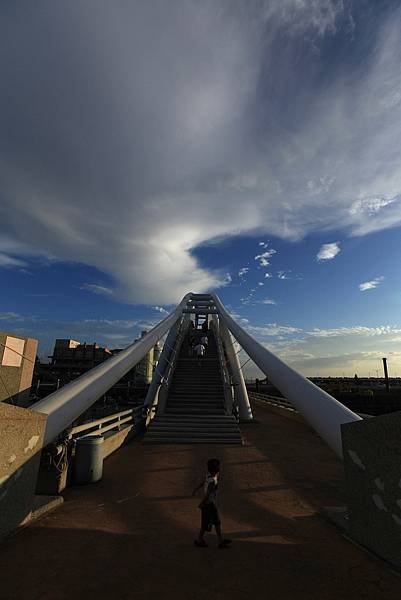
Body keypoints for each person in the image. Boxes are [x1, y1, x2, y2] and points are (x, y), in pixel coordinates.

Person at [192, 458, 231, 548]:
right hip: (209, 504)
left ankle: (215, 540)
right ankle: (203, 540)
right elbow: (208, 494)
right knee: (212, 523)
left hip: (209, 504)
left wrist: (196, 489)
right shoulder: (213, 481)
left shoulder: (209, 475)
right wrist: (201, 503)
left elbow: (204, 482)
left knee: (209, 523)